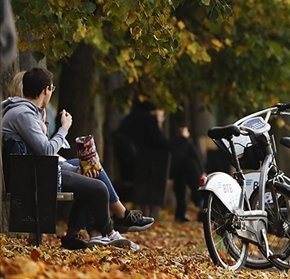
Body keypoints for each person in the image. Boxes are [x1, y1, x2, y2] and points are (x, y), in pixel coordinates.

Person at [1, 67, 152, 250]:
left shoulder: (27, 112)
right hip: (33, 177)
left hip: (37, 170)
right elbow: (47, 151)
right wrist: (64, 128)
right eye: (52, 89)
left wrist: (74, 168)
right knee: (98, 187)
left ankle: (83, 235)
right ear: (46, 90)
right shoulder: (23, 114)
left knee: (89, 167)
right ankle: (111, 231)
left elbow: (41, 152)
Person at [115, 100, 205, 222]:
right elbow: (164, 146)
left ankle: (184, 210)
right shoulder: (148, 119)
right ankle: (202, 199)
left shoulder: (131, 119)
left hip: (141, 167)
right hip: (148, 169)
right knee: (188, 149)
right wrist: (182, 138)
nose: (161, 119)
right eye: (161, 116)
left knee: (187, 164)